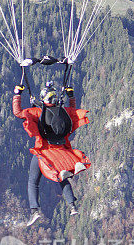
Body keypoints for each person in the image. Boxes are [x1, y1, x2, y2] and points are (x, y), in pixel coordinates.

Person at [13, 82, 90, 226]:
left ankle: (35, 210)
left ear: (44, 99)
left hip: (44, 152)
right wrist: (71, 96)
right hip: (62, 150)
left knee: (33, 181)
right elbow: (73, 112)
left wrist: (17, 94)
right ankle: (72, 206)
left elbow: (18, 113)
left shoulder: (37, 112)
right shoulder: (63, 110)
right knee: (63, 178)